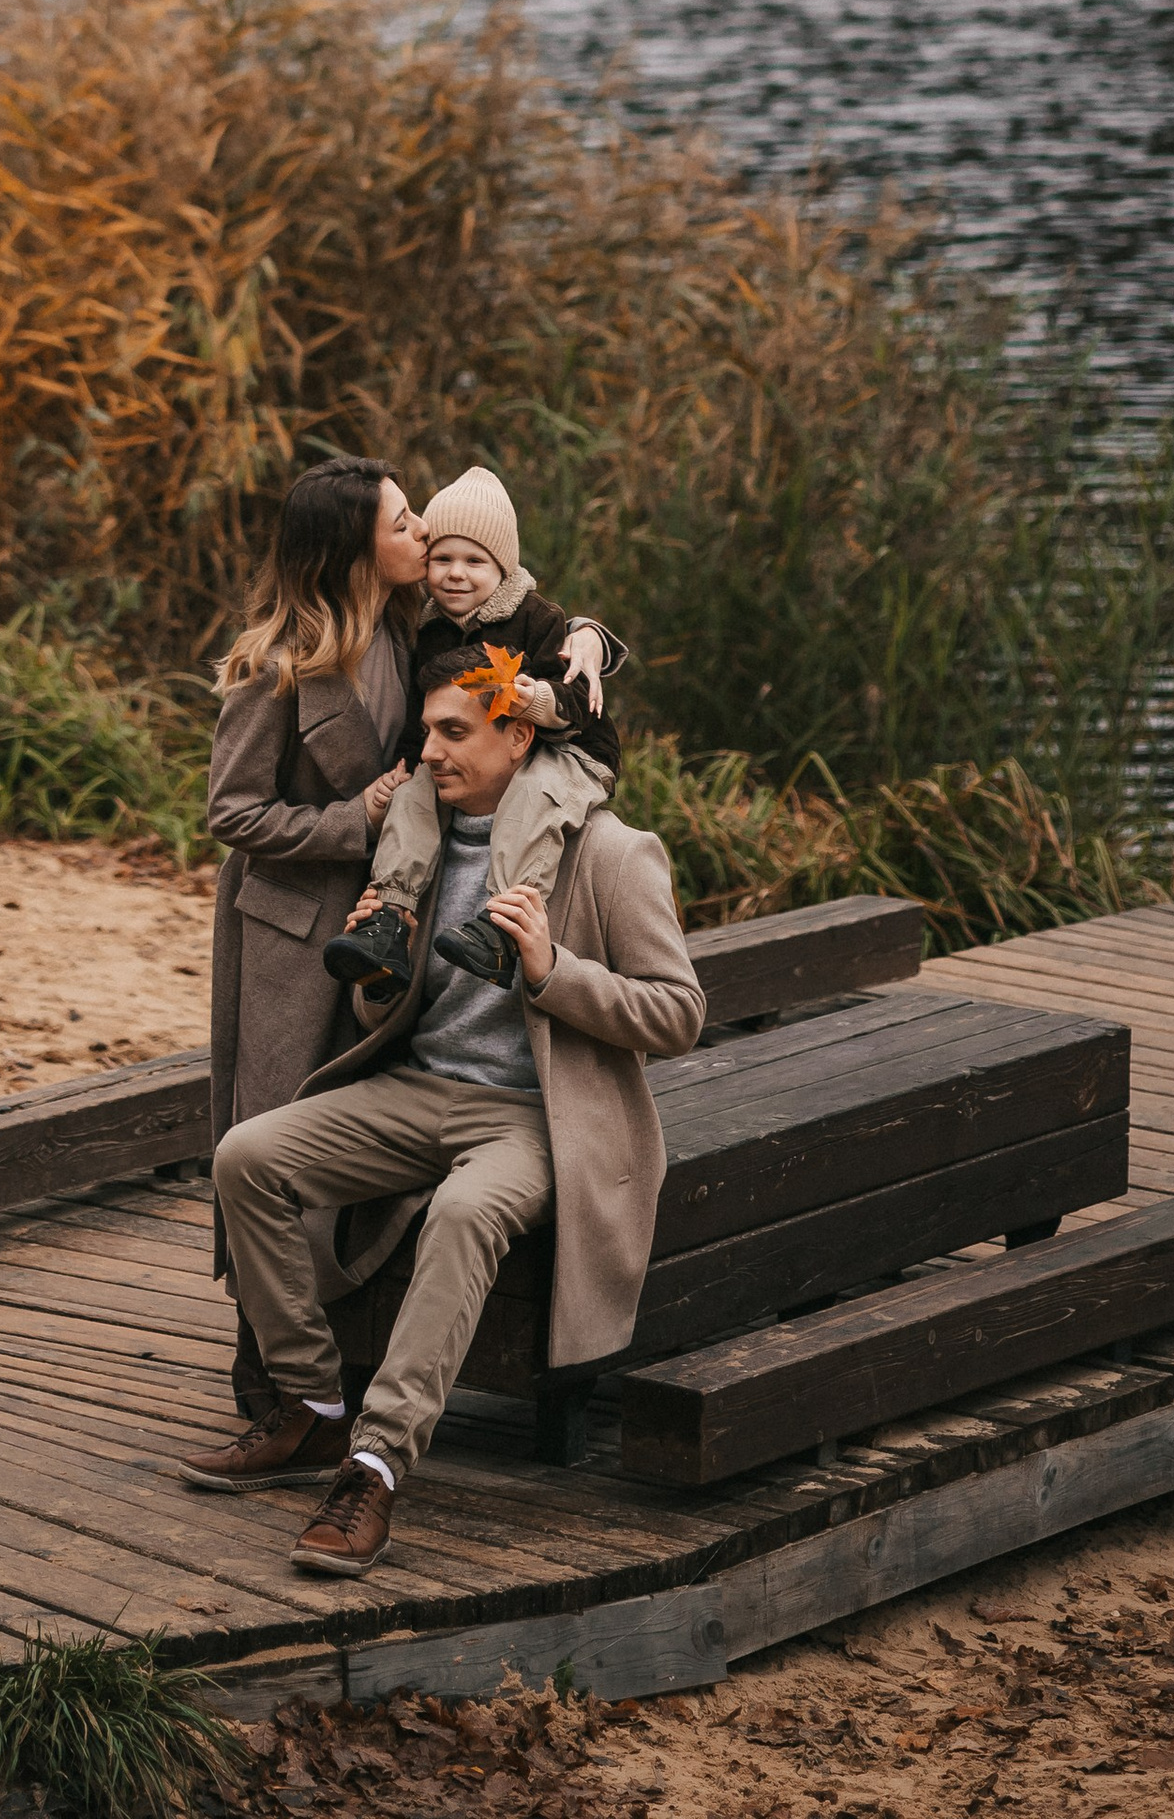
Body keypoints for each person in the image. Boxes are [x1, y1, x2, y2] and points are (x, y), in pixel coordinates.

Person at [183, 663, 705, 1575]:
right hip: (420, 1092)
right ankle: (312, 1406)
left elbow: (677, 1014)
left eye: (454, 734)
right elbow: (398, 1018)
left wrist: (551, 971)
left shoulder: (613, 852)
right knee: (247, 1156)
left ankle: (375, 1466)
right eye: (426, 731)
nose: (427, 752)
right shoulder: (414, 844)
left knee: (466, 1214)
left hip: (534, 1119)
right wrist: (379, 980)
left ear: (520, 738)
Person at [206, 456, 427, 1421]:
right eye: (404, 520)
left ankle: (346, 1365)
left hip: (381, 929)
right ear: (354, 549)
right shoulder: (277, 662)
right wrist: (355, 820)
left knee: (356, 1143)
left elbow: (528, 617)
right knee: (269, 1142)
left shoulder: (414, 634)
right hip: (290, 940)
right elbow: (233, 813)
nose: (421, 531)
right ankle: (269, 1386)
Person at [321, 464, 621, 996]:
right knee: (412, 800)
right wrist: (408, 765)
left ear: (503, 568)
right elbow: (424, 712)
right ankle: (388, 921)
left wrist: (534, 698)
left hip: (565, 748)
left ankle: (501, 927)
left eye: (474, 562)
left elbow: (579, 700)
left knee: (534, 797)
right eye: (442, 559)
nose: (456, 573)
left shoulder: (536, 618)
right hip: (482, 756)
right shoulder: (429, 627)